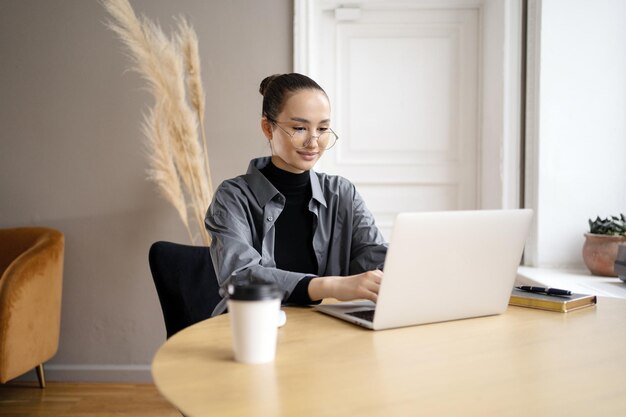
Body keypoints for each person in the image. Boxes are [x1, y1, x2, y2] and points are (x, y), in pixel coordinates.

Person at [205, 73, 387, 316]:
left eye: (322, 128)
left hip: (325, 331)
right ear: (268, 128)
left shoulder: (342, 193)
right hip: (253, 331)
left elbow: (374, 256)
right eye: (299, 128)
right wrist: (329, 285)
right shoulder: (233, 197)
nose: (313, 142)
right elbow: (240, 276)